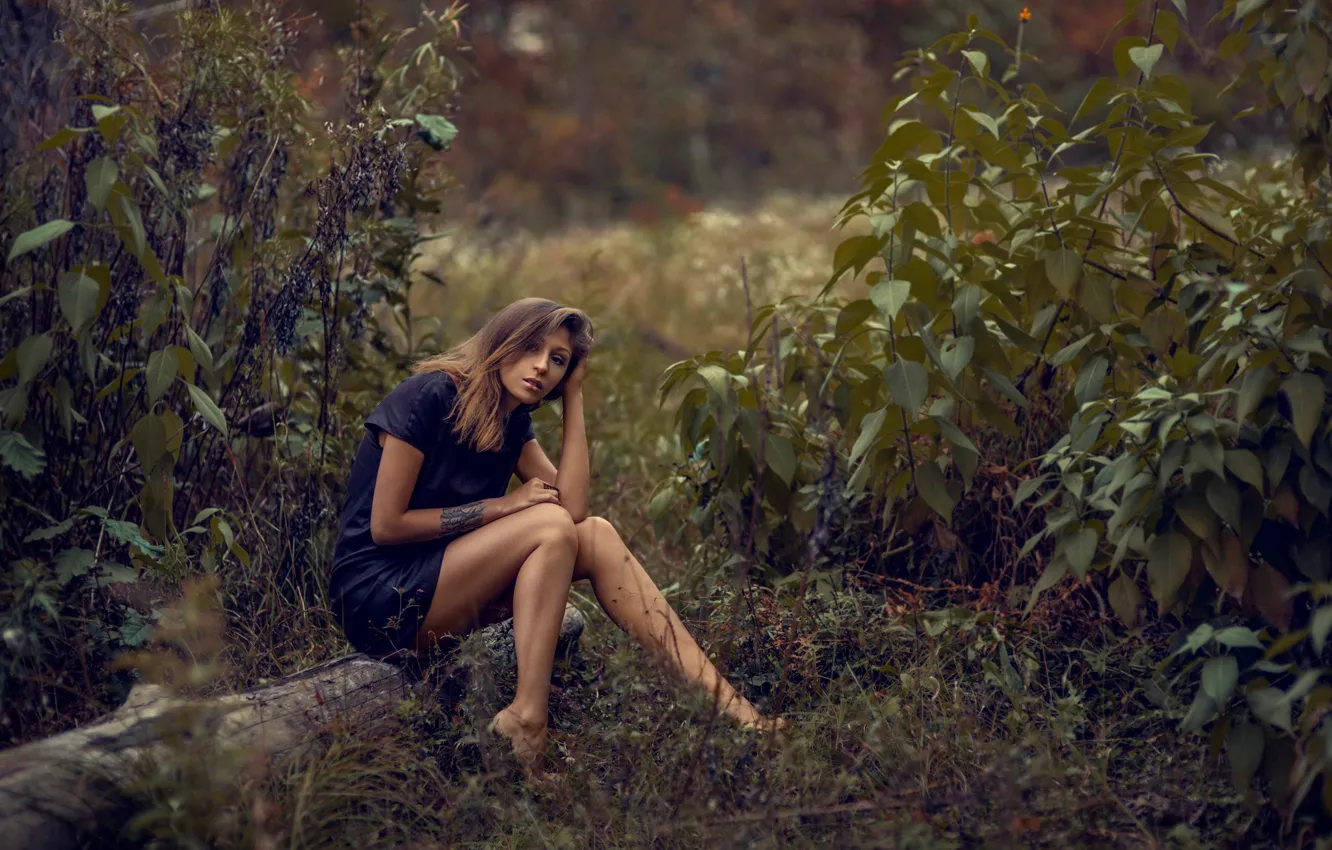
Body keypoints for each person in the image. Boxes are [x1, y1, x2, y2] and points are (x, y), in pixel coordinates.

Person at [330, 297, 782, 777]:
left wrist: (574, 398)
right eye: (532, 348)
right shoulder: (430, 395)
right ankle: (527, 716)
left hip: (444, 587)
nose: (543, 366)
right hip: (378, 596)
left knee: (596, 535)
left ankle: (733, 708)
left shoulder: (512, 420)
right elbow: (387, 525)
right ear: (503, 340)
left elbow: (574, 509)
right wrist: (500, 507)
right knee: (549, 526)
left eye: (559, 360)